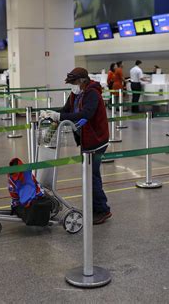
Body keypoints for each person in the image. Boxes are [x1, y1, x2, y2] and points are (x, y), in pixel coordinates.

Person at [40, 67, 112, 225]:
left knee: (93, 176)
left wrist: (59, 116)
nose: (72, 86)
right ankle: (95, 206)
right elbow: (66, 110)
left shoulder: (93, 94)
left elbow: (86, 114)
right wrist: (50, 113)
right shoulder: (75, 94)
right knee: (89, 175)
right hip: (86, 140)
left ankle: (102, 210)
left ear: (82, 81)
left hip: (97, 140)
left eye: (73, 83)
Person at [8, 158, 52, 226]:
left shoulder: (19, 176)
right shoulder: (23, 174)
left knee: (33, 207)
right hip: (25, 199)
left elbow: (26, 195)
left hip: (24, 200)